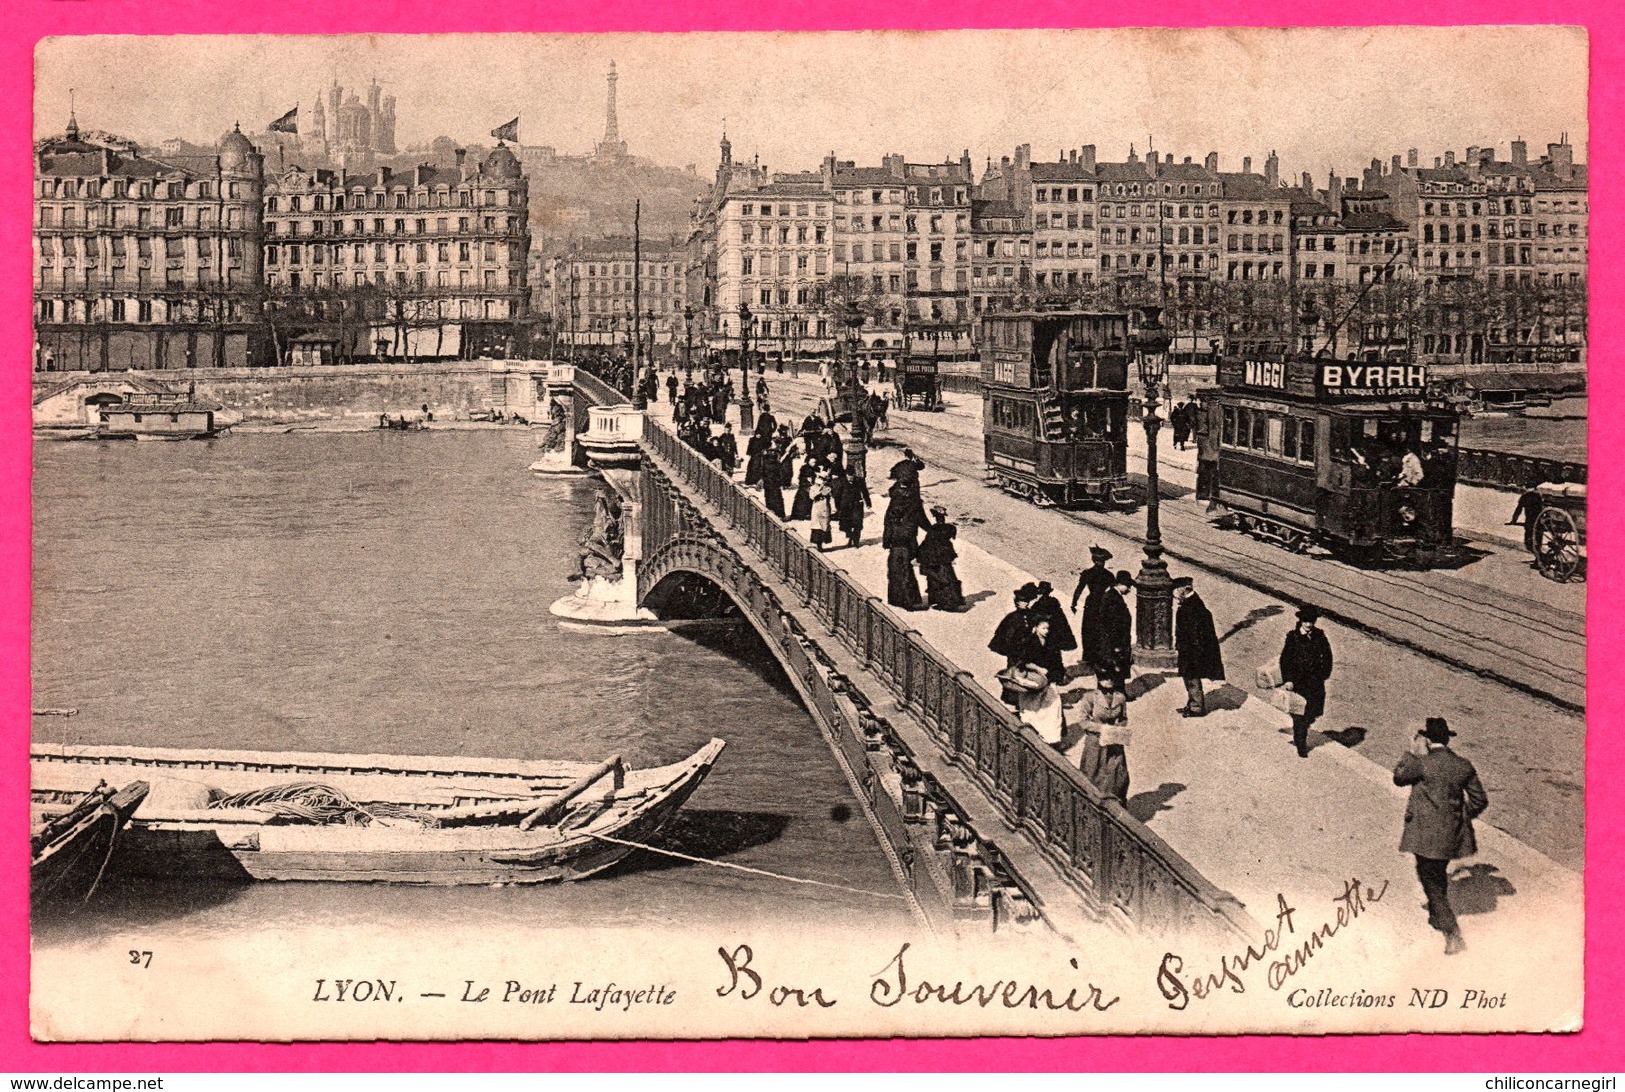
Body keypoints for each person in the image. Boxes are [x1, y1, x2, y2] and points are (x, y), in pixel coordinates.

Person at [1393, 717, 1489, 955]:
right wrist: (1459, 818)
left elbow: (1398, 777)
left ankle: (1452, 933)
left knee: (1430, 881)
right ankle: (1437, 916)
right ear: (1447, 740)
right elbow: (1479, 800)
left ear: (1427, 740)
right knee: (1438, 874)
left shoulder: (1422, 764)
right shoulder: (1463, 765)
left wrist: (1411, 752)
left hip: (1425, 836)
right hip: (1451, 836)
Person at [1279, 606, 1334, 758]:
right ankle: (1301, 744)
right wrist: (1288, 680)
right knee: (1300, 715)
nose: (1309, 625)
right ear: (1301, 621)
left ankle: (1301, 731)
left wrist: (1324, 674)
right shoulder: (1293, 637)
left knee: (1312, 713)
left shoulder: (1319, 635)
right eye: (1306, 622)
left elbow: (1328, 656)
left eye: (1311, 622)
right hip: (1298, 682)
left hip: (1315, 682)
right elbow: (1285, 660)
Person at [1173, 576, 1224, 717]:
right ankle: (1192, 704)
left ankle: (1196, 708)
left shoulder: (1190, 608)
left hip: (1191, 650)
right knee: (1189, 677)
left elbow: (1194, 632)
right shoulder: (1193, 603)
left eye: (1176, 591)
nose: (1175, 595)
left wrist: (1192, 651)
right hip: (1190, 648)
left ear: (1183, 589)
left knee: (1191, 677)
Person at [1076, 674, 1130, 803]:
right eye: (1105, 677)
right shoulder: (1090, 697)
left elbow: (1123, 718)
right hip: (1095, 743)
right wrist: (1101, 728)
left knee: (1117, 775)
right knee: (1092, 775)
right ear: (1099, 680)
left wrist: (1118, 727)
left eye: (1112, 678)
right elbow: (1083, 721)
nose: (1109, 681)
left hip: (1114, 742)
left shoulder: (1120, 698)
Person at [882, 476, 931, 610]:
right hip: (908, 539)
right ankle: (909, 599)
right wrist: (932, 530)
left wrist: (886, 540)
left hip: (895, 539)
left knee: (895, 568)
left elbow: (887, 521)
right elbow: (922, 520)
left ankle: (897, 599)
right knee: (905, 569)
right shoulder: (914, 502)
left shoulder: (895, 499)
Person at [1090, 571, 1135, 688]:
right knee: (1113, 667)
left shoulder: (1113, 595)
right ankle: (1115, 692)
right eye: (1128, 586)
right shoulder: (1112, 598)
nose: (1129, 589)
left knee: (1115, 667)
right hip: (1114, 641)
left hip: (1115, 641)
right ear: (1120, 584)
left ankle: (1119, 691)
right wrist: (1117, 644)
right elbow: (1112, 624)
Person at [917, 505, 965, 611]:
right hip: (946, 555)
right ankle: (953, 600)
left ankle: (942, 602)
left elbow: (926, 544)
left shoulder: (933, 530)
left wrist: (918, 554)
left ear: (935, 517)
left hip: (935, 557)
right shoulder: (950, 528)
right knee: (948, 576)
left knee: (936, 578)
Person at [989, 584, 1040, 667]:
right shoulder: (1013, 617)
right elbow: (1009, 636)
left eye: (1027, 601)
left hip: (1026, 647)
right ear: (1017, 602)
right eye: (1022, 602)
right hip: (1015, 648)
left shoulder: (1029, 614)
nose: (1026, 603)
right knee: (1014, 665)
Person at [1029, 580, 1077, 663]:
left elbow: (1032, 616)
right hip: (1053, 633)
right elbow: (1062, 621)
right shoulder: (1054, 603)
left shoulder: (1038, 604)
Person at [834, 470, 871, 549]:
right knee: (846, 524)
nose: (850, 478)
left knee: (857, 523)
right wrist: (837, 506)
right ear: (846, 475)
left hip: (857, 505)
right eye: (848, 476)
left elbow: (865, 492)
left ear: (854, 475)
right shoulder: (842, 482)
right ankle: (851, 537)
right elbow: (837, 495)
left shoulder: (859, 481)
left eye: (851, 476)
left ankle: (856, 541)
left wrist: (868, 503)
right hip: (845, 507)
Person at [809, 469, 835, 551]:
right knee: (817, 527)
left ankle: (821, 545)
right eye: (821, 478)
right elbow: (812, 496)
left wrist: (834, 507)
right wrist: (819, 490)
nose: (822, 480)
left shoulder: (827, 488)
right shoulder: (813, 487)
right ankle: (818, 545)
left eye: (824, 479)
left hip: (825, 509)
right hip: (816, 510)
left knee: (824, 526)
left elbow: (831, 498)